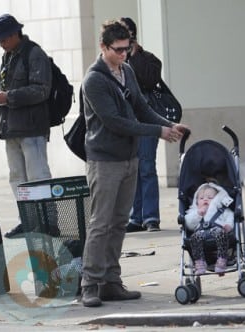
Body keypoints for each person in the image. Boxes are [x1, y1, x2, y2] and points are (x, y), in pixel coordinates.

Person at [80, 20, 189, 307]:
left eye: (127, 49)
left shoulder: (126, 70)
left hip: (128, 158)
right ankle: (89, 284)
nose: (124, 55)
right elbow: (115, 122)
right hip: (104, 160)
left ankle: (111, 282)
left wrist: (170, 125)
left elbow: (141, 107)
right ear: (103, 47)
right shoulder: (94, 80)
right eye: (118, 50)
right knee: (100, 224)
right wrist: (158, 132)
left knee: (118, 223)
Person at [0, 14, 56, 239]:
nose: (1, 44)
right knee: (17, 178)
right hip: (11, 127)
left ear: (15, 34)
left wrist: (8, 97)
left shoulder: (34, 54)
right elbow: (1, 84)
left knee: (38, 176)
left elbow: (41, 90)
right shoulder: (9, 56)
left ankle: (49, 223)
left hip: (32, 128)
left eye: (4, 39)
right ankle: (28, 221)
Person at [120, 17, 163, 233]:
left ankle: (151, 217)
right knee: (132, 169)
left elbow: (147, 80)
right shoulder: (111, 61)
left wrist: (135, 56)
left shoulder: (149, 59)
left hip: (145, 120)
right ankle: (135, 217)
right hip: (125, 122)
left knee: (146, 166)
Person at [184, 182, 234, 276]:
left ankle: (221, 259)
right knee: (194, 237)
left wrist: (228, 225)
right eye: (201, 198)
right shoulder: (194, 211)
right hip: (201, 233)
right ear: (196, 201)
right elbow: (189, 224)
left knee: (221, 233)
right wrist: (198, 214)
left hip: (218, 231)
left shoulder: (221, 210)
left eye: (210, 198)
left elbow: (230, 216)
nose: (205, 200)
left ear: (217, 199)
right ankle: (200, 263)